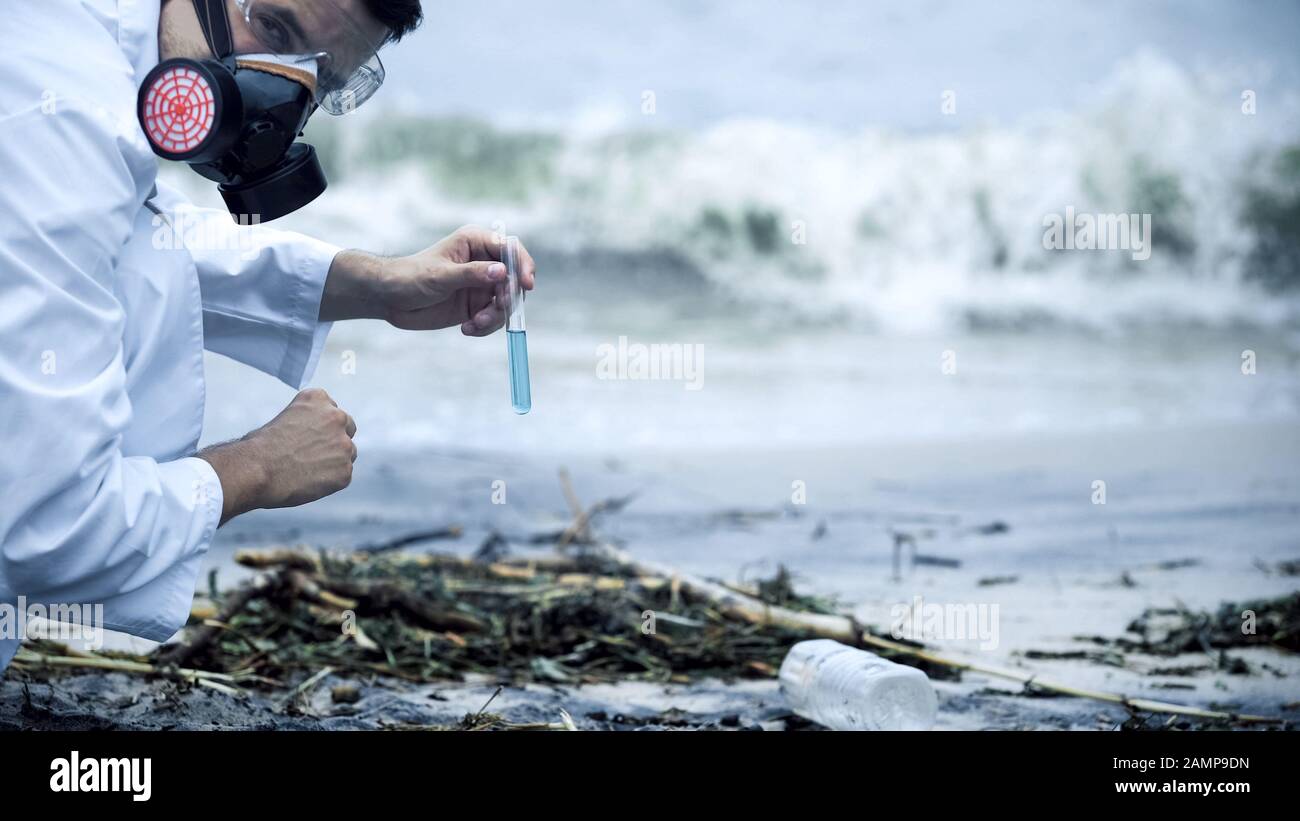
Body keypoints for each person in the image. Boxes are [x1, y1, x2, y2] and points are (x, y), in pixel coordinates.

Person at [0, 0, 536, 672]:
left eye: (320, 77)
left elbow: (134, 244)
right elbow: (52, 530)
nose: (282, 90)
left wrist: (379, 285)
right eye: (276, 29)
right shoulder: (64, 123)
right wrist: (257, 467)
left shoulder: (81, 57)